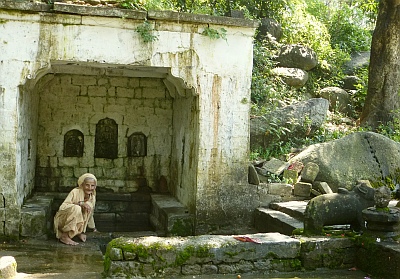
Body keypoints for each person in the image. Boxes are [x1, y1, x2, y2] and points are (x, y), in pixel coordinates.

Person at [54, 173, 98, 245]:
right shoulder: (75, 192)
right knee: (77, 208)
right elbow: (62, 207)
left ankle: (77, 232)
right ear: (82, 185)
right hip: (63, 221)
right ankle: (64, 236)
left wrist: (93, 228)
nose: (90, 188)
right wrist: (80, 204)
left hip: (75, 224)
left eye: (92, 185)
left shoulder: (92, 197)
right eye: (87, 185)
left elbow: (90, 214)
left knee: (88, 206)